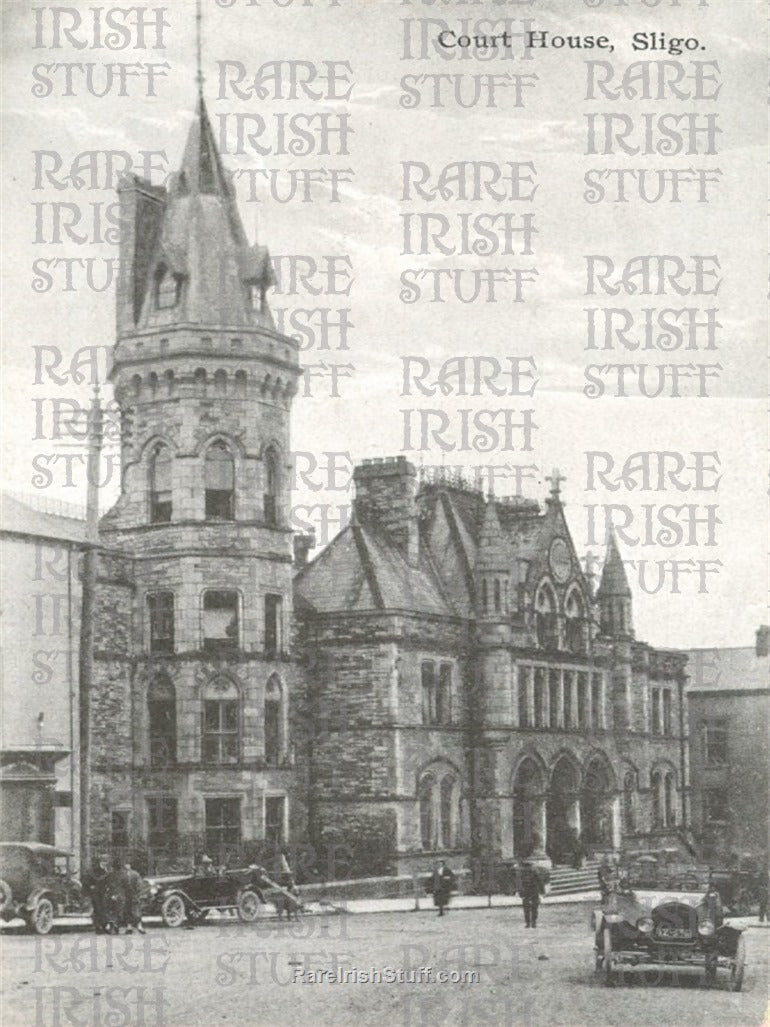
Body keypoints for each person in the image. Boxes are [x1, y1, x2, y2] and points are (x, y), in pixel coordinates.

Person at [84, 854, 111, 933]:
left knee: (104, 909)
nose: (105, 863)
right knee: (98, 909)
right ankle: (98, 927)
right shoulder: (94, 870)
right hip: (96, 893)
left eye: (106, 861)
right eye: (103, 861)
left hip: (105, 892)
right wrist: (91, 887)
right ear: (100, 861)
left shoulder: (108, 870)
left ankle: (104, 926)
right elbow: (87, 880)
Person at [519, 859, 545, 928]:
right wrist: (542, 891)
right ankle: (533, 922)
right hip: (534, 891)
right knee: (534, 908)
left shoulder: (522, 873)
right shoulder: (535, 872)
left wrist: (520, 893)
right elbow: (540, 882)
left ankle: (528, 923)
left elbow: (520, 884)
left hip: (526, 891)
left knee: (526, 908)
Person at [123, 862, 146, 935]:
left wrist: (138, 894)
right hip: (126, 895)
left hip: (135, 895)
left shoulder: (135, 874)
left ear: (130, 865)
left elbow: (139, 885)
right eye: (125, 864)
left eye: (128, 864)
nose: (126, 866)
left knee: (137, 912)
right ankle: (129, 927)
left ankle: (140, 926)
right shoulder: (122, 875)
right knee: (128, 911)